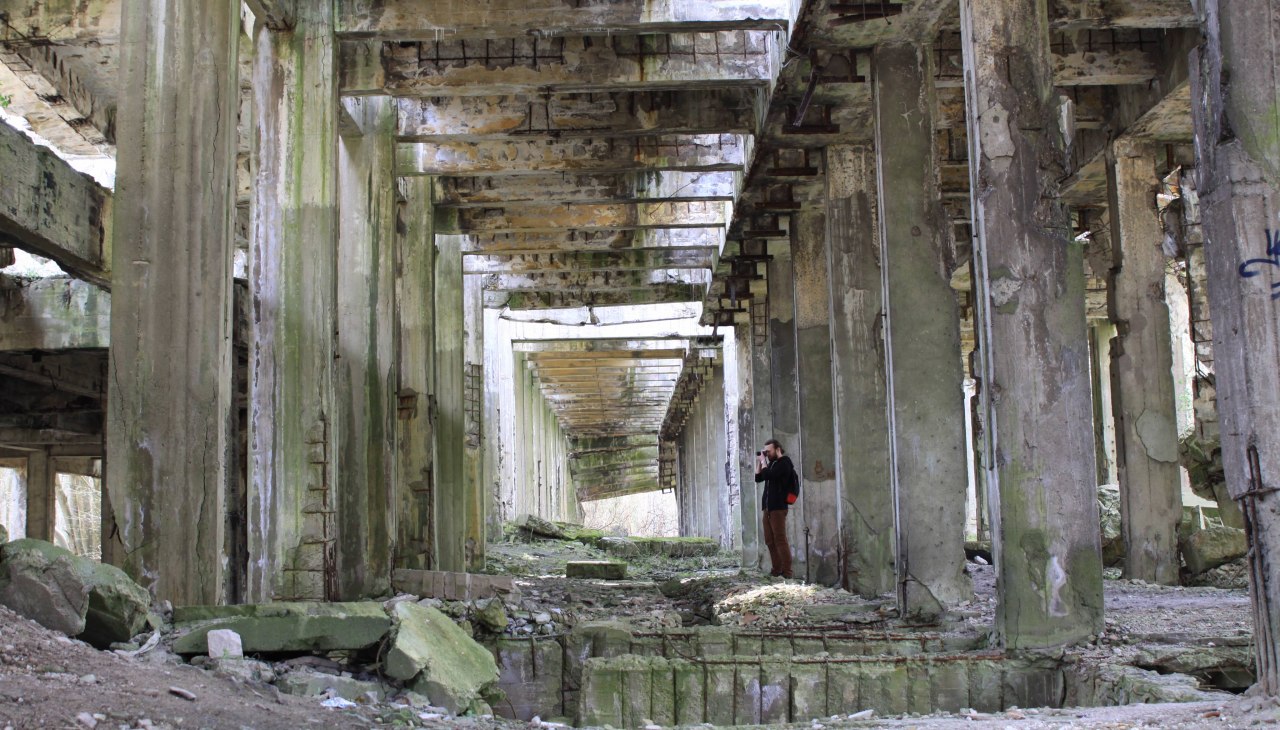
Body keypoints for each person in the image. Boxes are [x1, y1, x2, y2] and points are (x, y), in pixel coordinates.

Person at [754, 438, 795, 579]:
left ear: (777, 449)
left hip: (778, 507)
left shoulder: (785, 463)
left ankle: (787, 572)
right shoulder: (771, 464)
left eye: (768, 451)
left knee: (780, 539)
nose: (767, 454)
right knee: (769, 541)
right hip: (767, 508)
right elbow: (758, 478)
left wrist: (764, 462)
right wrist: (760, 461)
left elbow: (769, 475)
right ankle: (776, 570)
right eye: (765, 451)